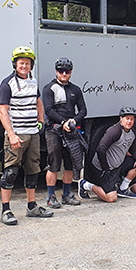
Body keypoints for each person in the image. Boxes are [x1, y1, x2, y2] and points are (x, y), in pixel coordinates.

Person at [0, 46, 53, 225]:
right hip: (17, 135)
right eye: (21, 63)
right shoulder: (7, 84)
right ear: (15, 64)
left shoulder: (33, 82)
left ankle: (32, 206)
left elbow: (38, 103)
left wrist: (41, 121)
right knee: (11, 171)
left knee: (33, 170)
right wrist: (11, 134)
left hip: (32, 133)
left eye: (27, 64)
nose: (24, 66)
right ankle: (6, 211)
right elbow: (3, 112)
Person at [42, 57, 88, 208]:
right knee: (54, 164)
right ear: (56, 71)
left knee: (70, 164)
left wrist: (73, 121)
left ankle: (66, 194)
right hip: (54, 130)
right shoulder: (49, 88)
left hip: (71, 131)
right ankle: (50, 197)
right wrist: (63, 122)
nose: (63, 74)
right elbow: (48, 110)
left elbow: (83, 110)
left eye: (66, 71)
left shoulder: (75, 90)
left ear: (70, 73)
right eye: (60, 71)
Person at [79, 107, 136, 202]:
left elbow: (134, 149)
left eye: (132, 119)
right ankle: (85, 184)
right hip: (103, 168)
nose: (129, 121)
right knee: (111, 198)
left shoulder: (132, 132)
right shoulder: (115, 131)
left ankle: (123, 187)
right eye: (127, 118)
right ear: (121, 119)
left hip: (118, 164)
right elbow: (100, 149)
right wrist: (105, 168)